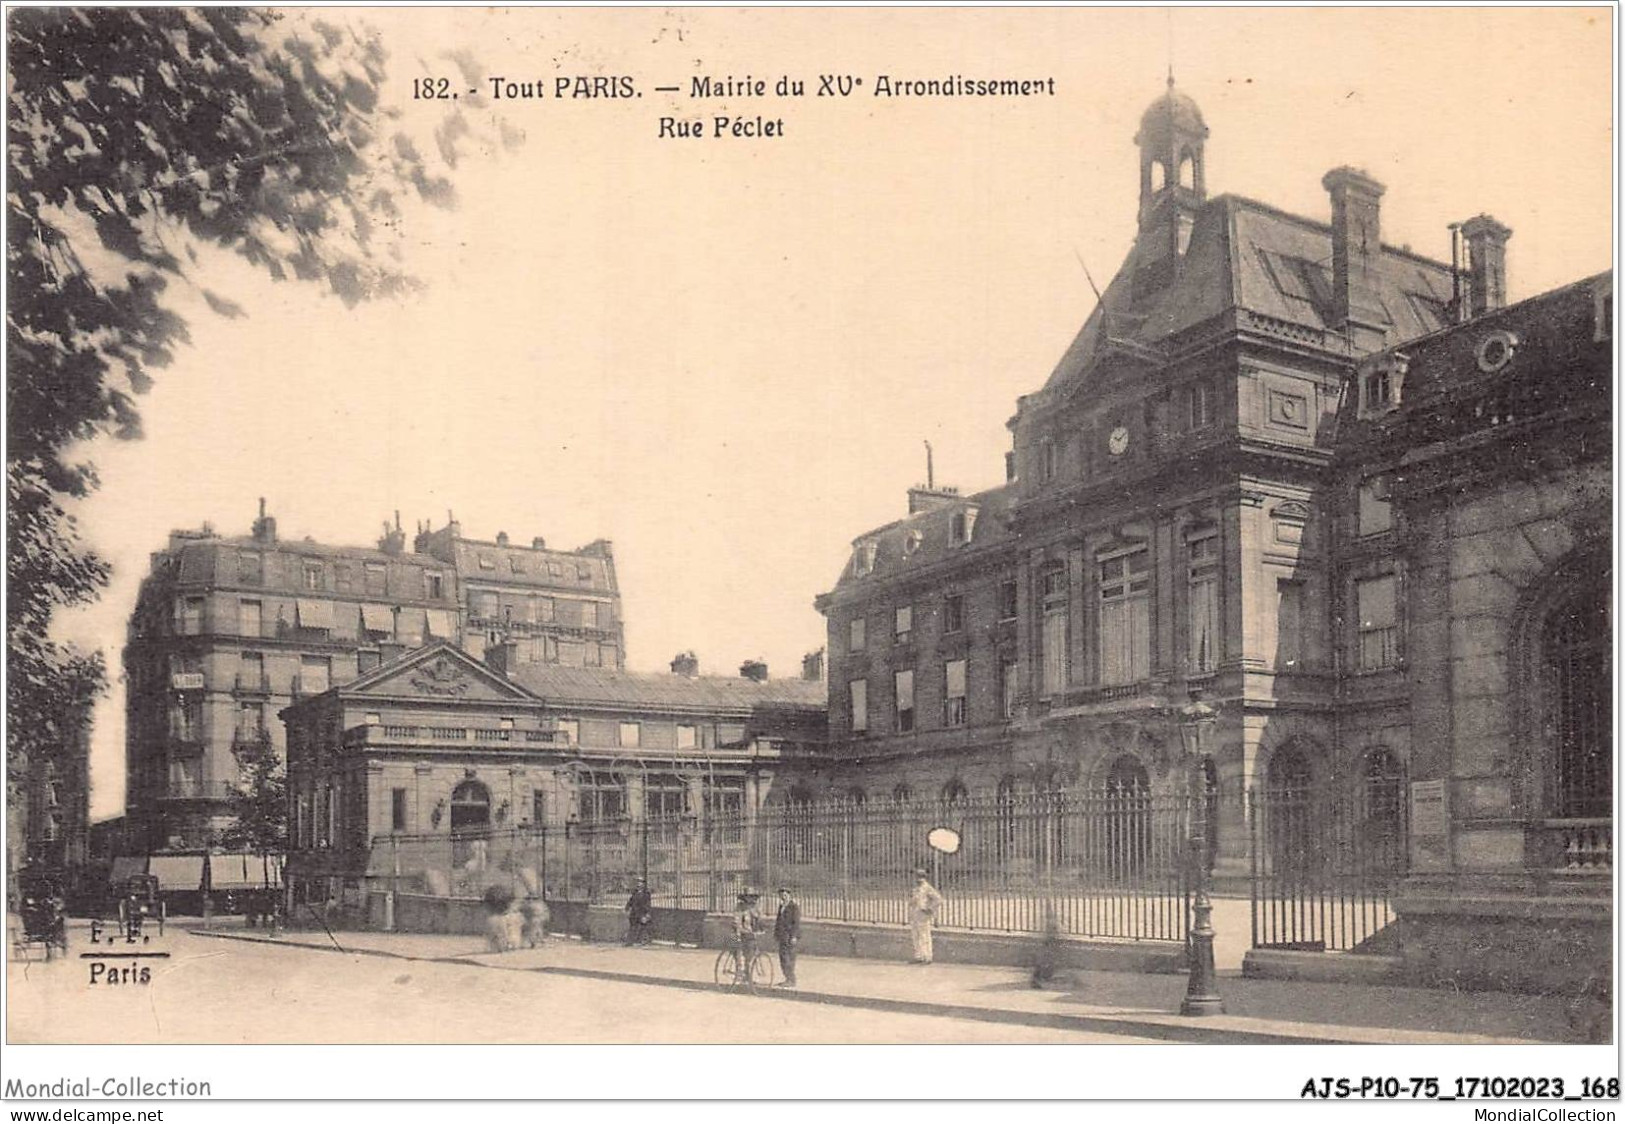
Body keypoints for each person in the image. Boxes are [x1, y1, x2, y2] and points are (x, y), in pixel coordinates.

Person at [908, 868, 944, 964]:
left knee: (924, 936)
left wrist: (930, 909)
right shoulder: (915, 888)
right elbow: (913, 900)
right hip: (915, 914)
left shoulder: (927, 888)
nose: (918, 879)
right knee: (916, 935)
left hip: (923, 914)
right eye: (917, 877)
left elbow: (938, 899)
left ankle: (927, 956)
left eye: (920, 877)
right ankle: (918, 956)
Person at [772, 886, 801, 988]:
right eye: (781, 894)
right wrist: (776, 934)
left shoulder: (794, 907)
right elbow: (778, 921)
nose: (783, 896)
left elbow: (796, 923)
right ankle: (787, 978)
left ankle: (791, 979)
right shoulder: (781, 906)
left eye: (785, 894)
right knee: (783, 958)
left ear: (789, 895)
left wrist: (793, 936)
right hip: (782, 936)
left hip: (789, 936)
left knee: (789, 958)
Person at [732, 888, 764, 966]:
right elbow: (737, 918)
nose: (749, 899)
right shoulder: (740, 906)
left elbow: (760, 919)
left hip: (750, 933)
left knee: (750, 953)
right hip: (740, 932)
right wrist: (738, 929)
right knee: (738, 951)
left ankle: (747, 969)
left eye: (751, 896)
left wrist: (761, 929)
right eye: (747, 897)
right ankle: (739, 969)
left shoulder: (756, 907)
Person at [625, 878, 653, 946]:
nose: (639, 884)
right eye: (638, 882)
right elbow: (630, 901)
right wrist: (627, 908)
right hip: (634, 913)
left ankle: (644, 941)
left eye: (641, 882)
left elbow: (648, 904)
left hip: (642, 912)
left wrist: (647, 913)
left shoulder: (646, 894)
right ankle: (630, 942)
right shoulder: (635, 893)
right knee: (633, 927)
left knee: (643, 927)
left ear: (643, 884)